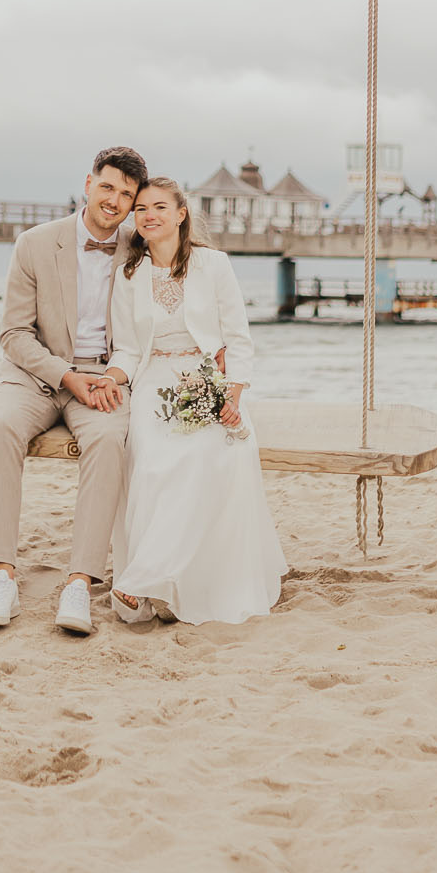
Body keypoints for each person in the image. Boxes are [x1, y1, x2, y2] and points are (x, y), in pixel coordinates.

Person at [0, 146, 148, 638]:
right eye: (108, 187)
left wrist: (110, 376)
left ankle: (79, 581)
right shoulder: (34, 243)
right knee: (1, 426)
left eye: (126, 195)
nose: (114, 200)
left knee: (111, 440)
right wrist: (66, 376)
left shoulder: (140, 247)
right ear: (89, 184)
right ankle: (2, 574)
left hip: (104, 376)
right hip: (34, 373)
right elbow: (13, 334)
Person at [103, 177, 284, 627]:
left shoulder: (214, 265)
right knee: (154, 459)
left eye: (159, 206)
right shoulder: (130, 274)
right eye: (141, 208)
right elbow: (126, 348)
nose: (149, 215)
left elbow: (238, 337)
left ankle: (163, 579)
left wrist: (233, 392)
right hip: (154, 381)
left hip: (209, 376)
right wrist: (109, 377)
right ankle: (156, 579)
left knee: (217, 452)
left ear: (181, 214)